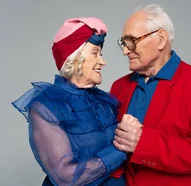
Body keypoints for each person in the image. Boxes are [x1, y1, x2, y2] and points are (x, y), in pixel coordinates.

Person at [110, 4, 191, 186]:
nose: (125, 51)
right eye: (123, 43)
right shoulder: (119, 87)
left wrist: (143, 143)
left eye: (131, 41)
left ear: (161, 39)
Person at [11, 17, 128, 186]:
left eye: (100, 54)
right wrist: (122, 150)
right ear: (74, 58)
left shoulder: (103, 101)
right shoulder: (46, 106)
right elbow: (65, 177)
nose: (103, 61)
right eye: (95, 53)